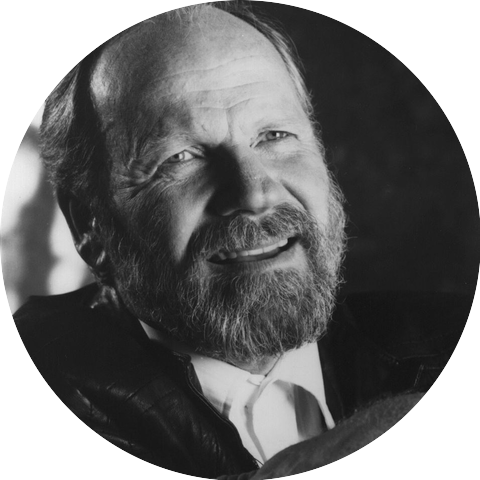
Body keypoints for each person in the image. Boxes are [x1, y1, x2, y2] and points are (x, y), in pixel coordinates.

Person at [1, 0, 479, 479]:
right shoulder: (27, 394)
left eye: (274, 135)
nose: (254, 193)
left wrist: (449, 423)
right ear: (89, 225)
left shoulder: (460, 340)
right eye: (180, 157)